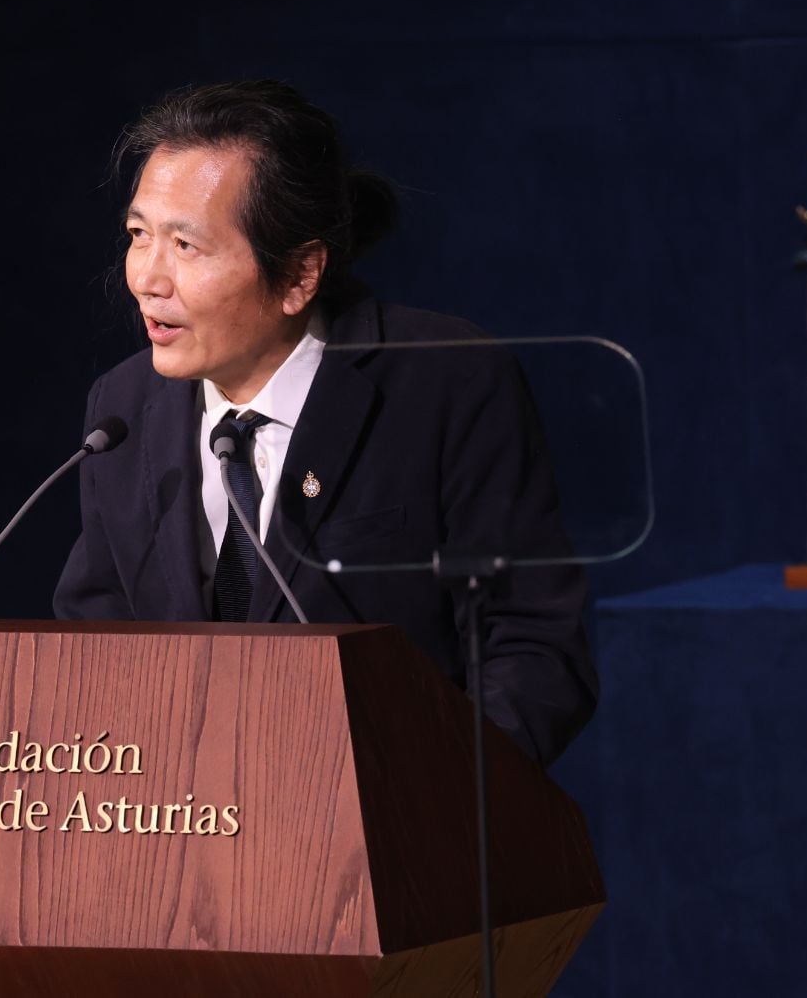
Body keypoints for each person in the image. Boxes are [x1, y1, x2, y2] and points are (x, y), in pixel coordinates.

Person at [53, 80, 595, 765]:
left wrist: (428, 795)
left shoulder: (445, 381)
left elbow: (533, 648)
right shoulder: (124, 408)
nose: (147, 278)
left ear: (300, 275)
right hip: (188, 818)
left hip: (401, 811)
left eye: (185, 245)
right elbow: (94, 647)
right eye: (139, 235)